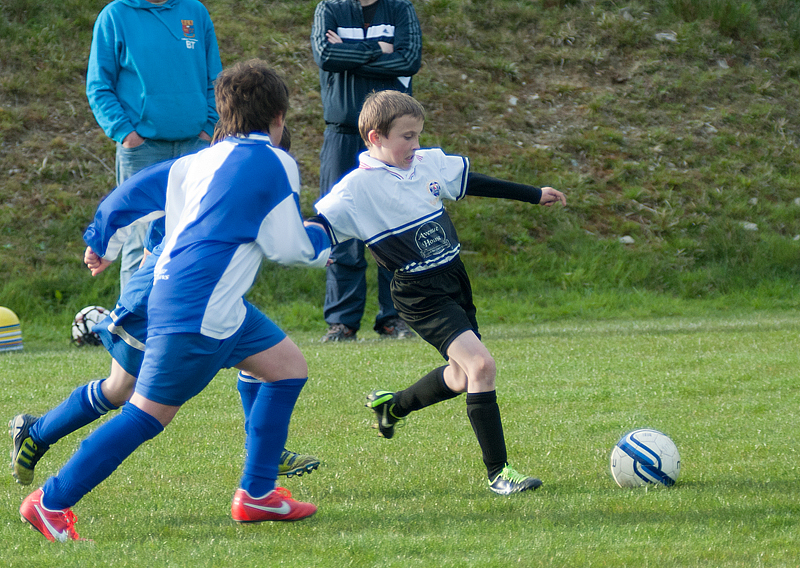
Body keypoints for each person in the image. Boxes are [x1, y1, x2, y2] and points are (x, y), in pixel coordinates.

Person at [20, 60, 331, 542]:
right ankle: (50, 501)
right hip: (197, 308)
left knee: (287, 366)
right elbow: (290, 247)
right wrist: (326, 238)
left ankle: (258, 493)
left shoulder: (198, 161)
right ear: (279, 117)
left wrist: (101, 240)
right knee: (145, 413)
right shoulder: (274, 160)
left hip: (210, 302)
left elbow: (132, 192)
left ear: (223, 113)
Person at [313, 90, 567, 495]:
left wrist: (532, 193)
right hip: (418, 292)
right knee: (482, 365)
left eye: (418, 135)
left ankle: (392, 406)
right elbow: (319, 225)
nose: (416, 145)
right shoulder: (355, 189)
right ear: (375, 137)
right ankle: (499, 473)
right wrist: (306, 247)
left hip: (454, 278)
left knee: (463, 376)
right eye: (407, 137)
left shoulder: (427, 163)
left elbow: (472, 182)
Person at [87, 0, 223, 292]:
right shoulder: (115, 15)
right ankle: (132, 319)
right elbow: (99, 85)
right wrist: (126, 133)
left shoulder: (195, 12)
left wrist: (209, 127)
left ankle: (185, 315)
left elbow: (215, 79)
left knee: (194, 237)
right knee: (138, 242)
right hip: (142, 151)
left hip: (195, 147)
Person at [310, 0, 422, 342]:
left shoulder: (400, 9)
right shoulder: (329, 8)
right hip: (342, 132)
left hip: (390, 140)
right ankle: (342, 322)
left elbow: (409, 60)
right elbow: (326, 55)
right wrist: (378, 50)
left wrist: (351, 52)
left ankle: (395, 317)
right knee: (338, 224)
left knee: (397, 227)